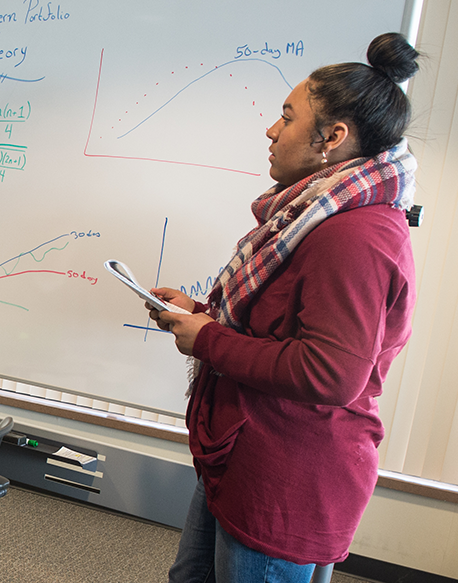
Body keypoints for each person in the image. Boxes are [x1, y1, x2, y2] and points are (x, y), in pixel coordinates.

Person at [151, 33, 420, 582]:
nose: (272, 130)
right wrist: (199, 312)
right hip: (248, 456)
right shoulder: (314, 216)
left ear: (333, 137)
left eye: (287, 116)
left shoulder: (353, 236)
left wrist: (206, 339)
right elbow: (282, 326)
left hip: (288, 477)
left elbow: (331, 372)